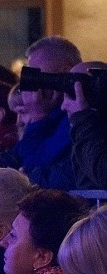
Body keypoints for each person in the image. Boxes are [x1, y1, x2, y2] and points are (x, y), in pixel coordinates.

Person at [0, 36, 82, 190]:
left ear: (65, 71)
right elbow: (12, 160)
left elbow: (36, 162)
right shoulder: (52, 112)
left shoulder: (78, 112)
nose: (33, 81)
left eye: (38, 73)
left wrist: (37, 115)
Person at [62, 61, 107, 189]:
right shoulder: (93, 127)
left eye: (80, 93)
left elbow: (103, 174)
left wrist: (82, 118)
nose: (63, 106)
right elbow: (86, 185)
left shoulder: (86, 124)